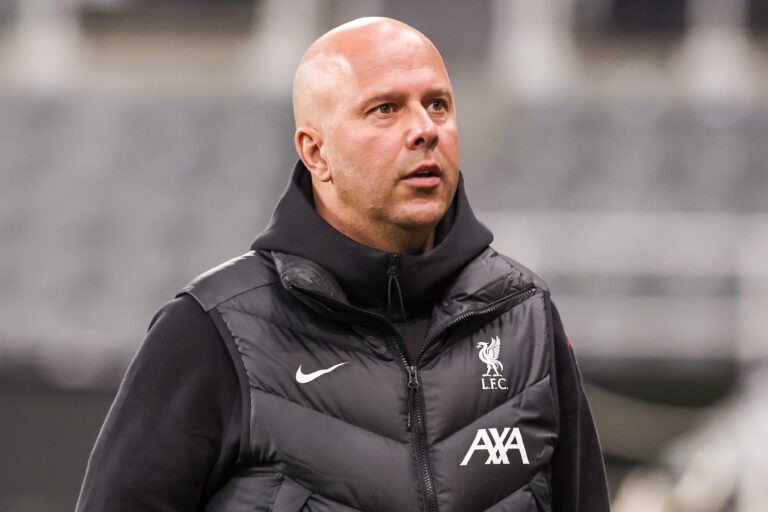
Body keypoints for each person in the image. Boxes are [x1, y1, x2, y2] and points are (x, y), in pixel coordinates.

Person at [76, 17, 610, 512]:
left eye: (438, 105)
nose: (425, 129)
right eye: (386, 108)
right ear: (315, 152)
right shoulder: (211, 329)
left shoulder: (525, 315)